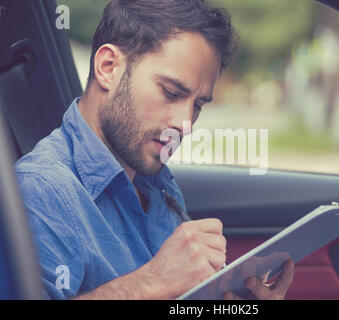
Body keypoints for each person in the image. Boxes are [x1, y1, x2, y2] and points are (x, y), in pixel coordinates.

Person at [15, 0, 294, 300]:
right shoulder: (40, 191)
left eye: (198, 105)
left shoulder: (157, 180)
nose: (186, 124)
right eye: (171, 92)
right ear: (108, 68)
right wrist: (151, 282)